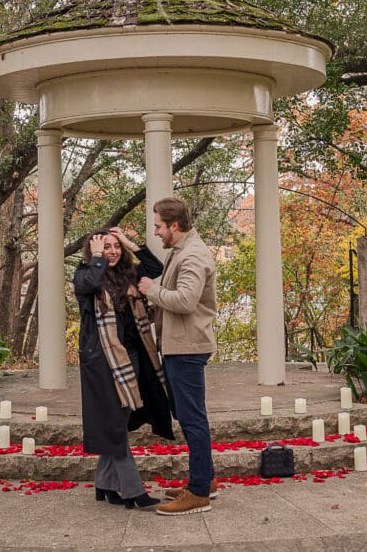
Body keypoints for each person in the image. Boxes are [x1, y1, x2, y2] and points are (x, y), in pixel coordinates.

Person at [73, 226, 173, 510]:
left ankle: (105, 485)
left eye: (116, 246)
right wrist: (96, 257)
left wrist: (131, 243)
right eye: (106, 247)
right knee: (115, 422)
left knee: (118, 421)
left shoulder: (130, 275)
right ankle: (133, 491)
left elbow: (156, 266)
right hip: (104, 359)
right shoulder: (84, 274)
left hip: (133, 354)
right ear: (94, 250)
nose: (113, 251)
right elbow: (91, 283)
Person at [138, 197, 217, 516]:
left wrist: (151, 290)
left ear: (174, 225)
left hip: (187, 348)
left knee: (191, 418)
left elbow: (185, 300)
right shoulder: (181, 251)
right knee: (190, 416)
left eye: (158, 226)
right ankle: (205, 480)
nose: (155, 232)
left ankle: (198, 494)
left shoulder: (193, 256)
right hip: (179, 346)